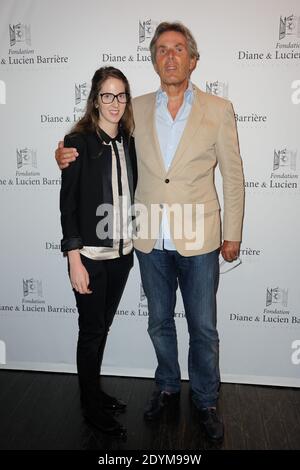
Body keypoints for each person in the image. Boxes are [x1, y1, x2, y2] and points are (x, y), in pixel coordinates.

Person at [56, 22, 244, 442]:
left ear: (193, 60)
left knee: (204, 327)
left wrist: (232, 232)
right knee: (159, 323)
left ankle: (206, 399)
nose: (170, 56)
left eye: (179, 49)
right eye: (162, 49)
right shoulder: (134, 108)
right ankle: (165, 386)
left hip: (199, 239)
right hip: (147, 240)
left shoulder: (219, 108)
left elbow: (233, 176)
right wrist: (63, 151)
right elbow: (93, 136)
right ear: (154, 59)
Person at [59, 66, 137, 438]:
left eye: (121, 95)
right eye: (107, 95)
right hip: (89, 257)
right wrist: (74, 258)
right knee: (90, 333)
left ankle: (95, 392)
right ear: (94, 100)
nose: (115, 103)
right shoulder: (78, 142)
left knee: (100, 329)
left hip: (123, 257)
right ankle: (90, 407)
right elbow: (68, 206)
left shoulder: (129, 142)